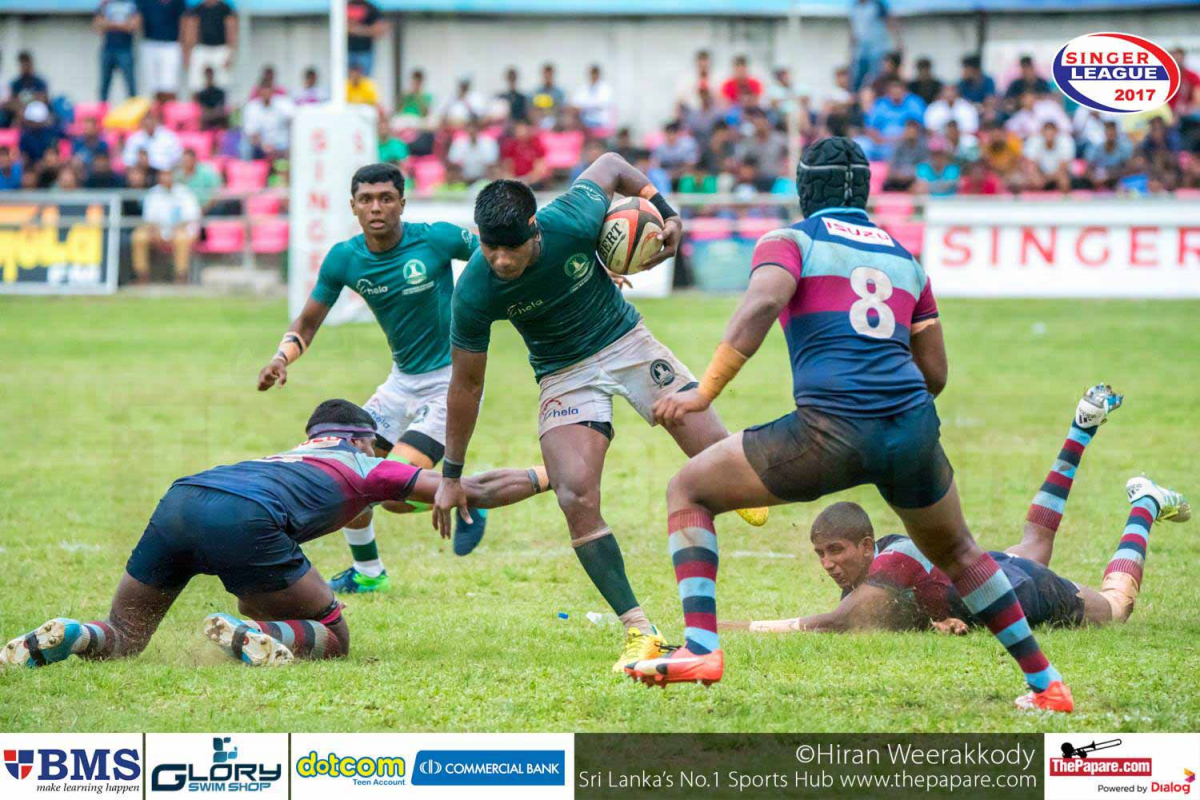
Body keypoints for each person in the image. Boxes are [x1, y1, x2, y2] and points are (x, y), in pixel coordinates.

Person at [630, 137, 1074, 713]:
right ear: (866, 191)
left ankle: (701, 649)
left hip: (830, 427)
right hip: (912, 426)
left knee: (688, 489)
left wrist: (703, 393)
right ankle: (1047, 685)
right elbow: (935, 373)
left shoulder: (791, 240)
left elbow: (762, 304)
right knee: (962, 554)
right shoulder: (906, 260)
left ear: (802, 187)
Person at [433, 152, 770, 673]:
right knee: (574, 493)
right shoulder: (475, 290)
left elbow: (612, 164)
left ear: (533, 228)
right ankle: (640, 629)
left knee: (725, 462)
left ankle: (741, 481)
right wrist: (451, 475)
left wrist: (667, 213)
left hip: (626, 342)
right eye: (489, 247)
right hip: (562, 372)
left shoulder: (571, 218)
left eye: (510, 247)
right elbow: (466, 385)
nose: (500, 260)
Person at [0, 400, 551, 670]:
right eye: (375, 446)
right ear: (361, 440)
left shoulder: (287, 456)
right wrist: (551, 476)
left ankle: (74, 634)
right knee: (333, 636)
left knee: (125, 635)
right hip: (246, 519)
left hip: (183, 498)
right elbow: (472, 488)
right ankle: (254, 635)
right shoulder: (366, 464)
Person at [731, 387, 1189, 639]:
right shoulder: (880, 568)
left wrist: (737, 627)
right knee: (1033, 545)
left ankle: (1145, 503)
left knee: (1115, 608)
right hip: (989, 573)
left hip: (1022, 592)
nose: (828, 563)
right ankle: (1081, 428)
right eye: (820, 554)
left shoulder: (893, 561)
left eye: (836, 550)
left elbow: (836, 623)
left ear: (867, 546)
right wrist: (938, 621)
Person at [257, 163, 491, 594]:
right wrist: (281, 357)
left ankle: (467, 495)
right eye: (366, 200)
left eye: (386, 198)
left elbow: (501, 254)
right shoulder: (345, 258)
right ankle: (368, 572)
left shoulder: (436, 238)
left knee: (393, 496)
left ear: (402, 203)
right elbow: (307, 323)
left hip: (448, 383)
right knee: (345, 467)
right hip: (400, 383)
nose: (376, 207)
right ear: (353, 206)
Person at [132, 168, 199, 284]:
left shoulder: (184, 192)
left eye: (168, 174)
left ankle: (181, 277)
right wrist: (156, 232)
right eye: (163, 175)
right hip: (157, 231)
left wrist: (174, 230)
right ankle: (142, 276)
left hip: (179, 230)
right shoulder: (153, 193)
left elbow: (191, 216)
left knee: (181, 238)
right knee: (138, 237)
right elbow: (149, 218)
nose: (165, 178)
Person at [137, 0, 187, 103]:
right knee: (152, 83)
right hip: (149, 43)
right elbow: (138, 19)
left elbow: (183, 22)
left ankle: (169, 109)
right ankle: (156, 110)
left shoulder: (178, 2)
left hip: (171, 44)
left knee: (169, 83)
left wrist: (185, 46)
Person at [185, 0, 238, 92]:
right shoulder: (197, 9)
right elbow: (192, 31)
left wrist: (230, 53)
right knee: (196, 83)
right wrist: (188, 53)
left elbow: (231, 31)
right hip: (201, 49)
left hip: (220, 48)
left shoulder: (225, 9)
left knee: (222, 81)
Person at [95, 0, 140, 102]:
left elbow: (133, 26)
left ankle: (134, 109)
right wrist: (123, 25)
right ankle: (103, 109)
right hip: (108, 49)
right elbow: (98, 25)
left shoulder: (132, 4)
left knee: (130, 84)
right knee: (104, 85)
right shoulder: (105, 3)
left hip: (126, 49)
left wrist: (109, 24)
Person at [849, 0, 897, 91]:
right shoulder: (854, 7)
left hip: (877, 49)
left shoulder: (877, 4)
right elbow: (853, 28)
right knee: (858, 77)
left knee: (877, 75)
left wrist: (897, 41)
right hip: (861, 50)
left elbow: (889, 21)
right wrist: (851, 48)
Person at [446, 118, 500, 183]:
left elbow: (491, 163)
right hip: (463, 179)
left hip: (484, 178)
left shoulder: (489, 142)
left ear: (479, 129)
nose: (472, 131)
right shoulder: (459, 143)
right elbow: (453, 161)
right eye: (470, 128)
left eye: (474, 128)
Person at [346, 0, 385, 76]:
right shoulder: (343, 7)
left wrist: (358, 30)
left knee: (364, 79)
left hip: (365, 52)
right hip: (347, 52)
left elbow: (380, 30)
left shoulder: (371, 8)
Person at [572, 65, 615, 131]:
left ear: (598, 75)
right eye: (592, 74)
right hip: (585, 118)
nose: (593, 76)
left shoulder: (605, 89)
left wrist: (584, 107)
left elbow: (601, 104)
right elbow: (576, 101)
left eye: (595, 74)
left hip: (599, 119)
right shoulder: (584, 87)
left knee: (578, 124)